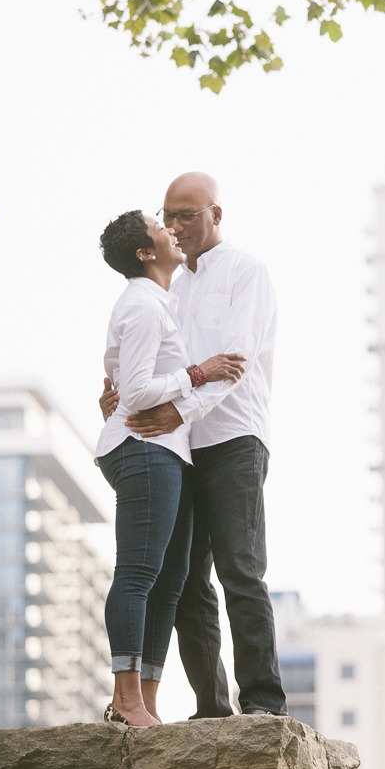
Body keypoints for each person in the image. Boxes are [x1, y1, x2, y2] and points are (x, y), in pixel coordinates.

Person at [102, 172, 287, 717]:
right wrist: (117, 389)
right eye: (169, 217)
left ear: (216, 215)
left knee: (240, 570)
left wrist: (177, 408)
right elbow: (153, 359)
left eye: (187, 216)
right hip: (176, 447)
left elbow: (233, 361)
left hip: (233, 437)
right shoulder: (168, 288)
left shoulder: (248, 273)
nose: (177, 227)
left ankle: (263, 701)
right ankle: (211, 705)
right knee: (184, 582)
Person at [95, 210, 245, 727]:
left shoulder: (160, 303)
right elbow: (135, 393)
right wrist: (197, 373)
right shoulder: (141, 305)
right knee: (139, 573)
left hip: (167, 451)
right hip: (141, 449)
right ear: (144, 252)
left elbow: (118, 380)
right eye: (159, 225)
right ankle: (126, 699)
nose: (170, 229)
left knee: (171, 580)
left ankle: (148, 700)